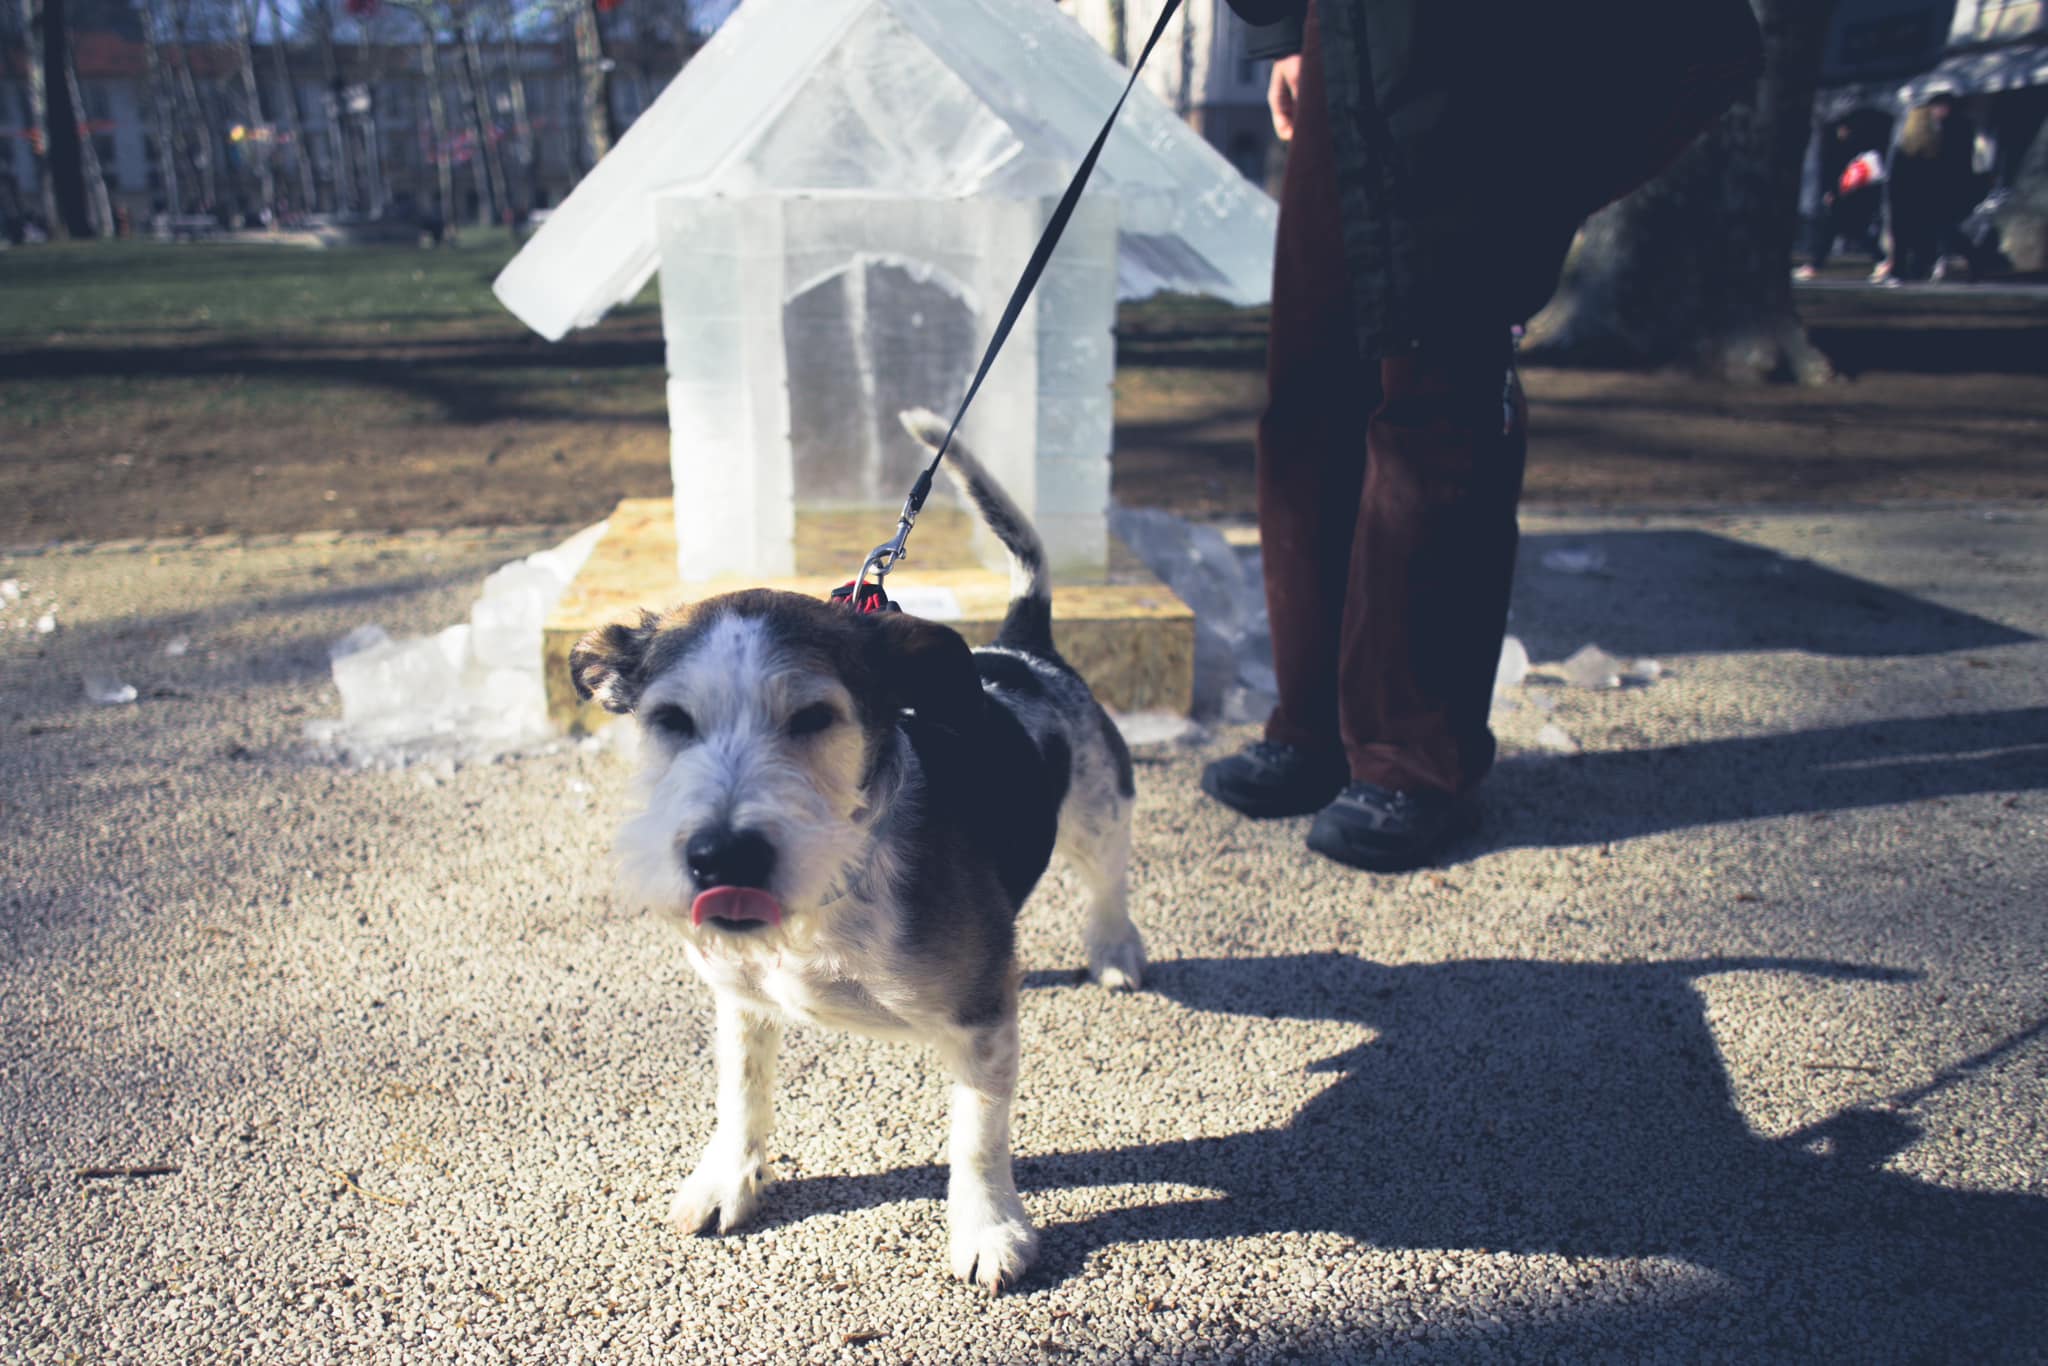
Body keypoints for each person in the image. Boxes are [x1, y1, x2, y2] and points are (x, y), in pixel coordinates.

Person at [1201, 0, 1759, 871]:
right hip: (1338, 30)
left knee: (1437, 399)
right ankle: (1315, 726)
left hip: (1484, 41)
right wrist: (1279, 31)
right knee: (1310, 397)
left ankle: (1415, 755)